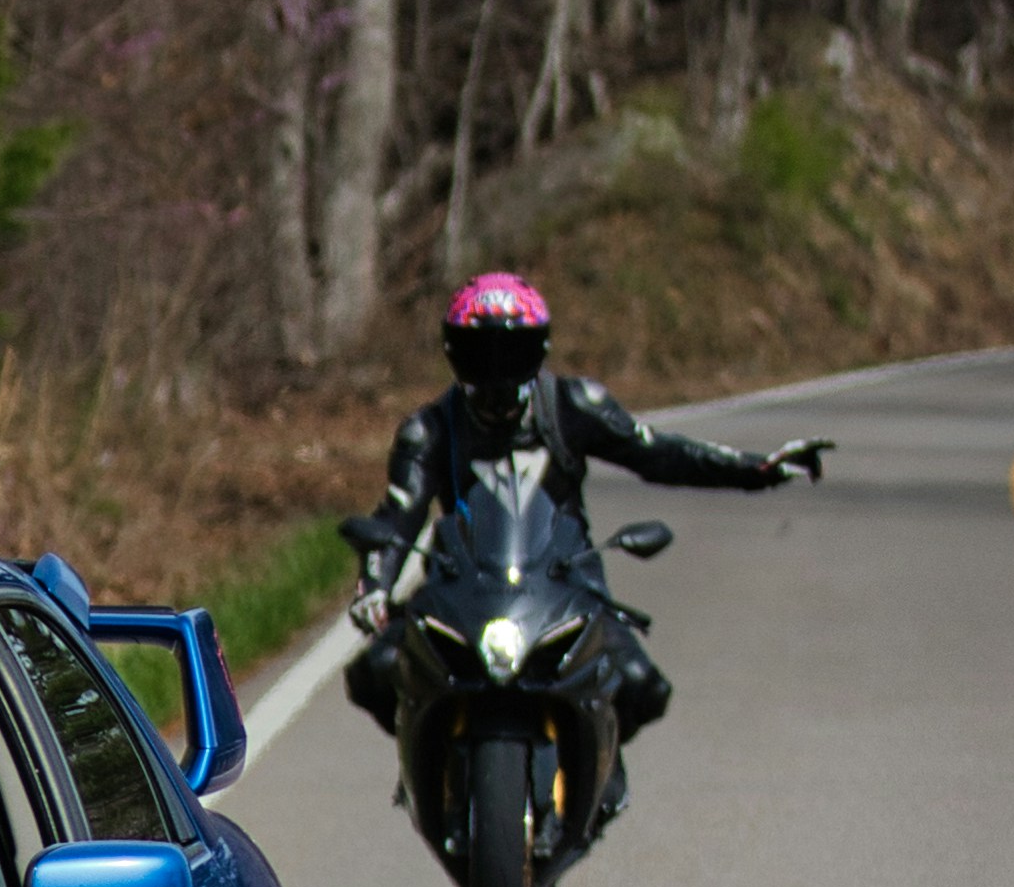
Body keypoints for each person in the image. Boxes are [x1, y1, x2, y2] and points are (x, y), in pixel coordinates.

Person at [344, 273, 823, 747]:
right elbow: (397, 514)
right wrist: (375, 589)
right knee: (373, 673)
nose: (497, 373)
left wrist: (757, 470)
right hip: (458, 591)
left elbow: (658, 454)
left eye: (512, 354)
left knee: (643, 687)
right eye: (479, 355)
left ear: (539, 352)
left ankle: (598, 765)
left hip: (567, 586)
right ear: (453, 355)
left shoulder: (572, 405)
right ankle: (427, 755)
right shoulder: (427, 430)